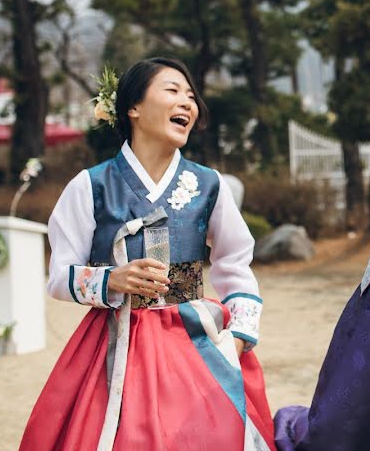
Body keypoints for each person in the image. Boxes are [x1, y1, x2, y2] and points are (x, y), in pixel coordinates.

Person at [20, 58, 275, 451]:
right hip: (115, 339)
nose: (187, 103)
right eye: (172, 91)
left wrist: (239, 336)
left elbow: (234, 262)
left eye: (191, 96)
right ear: (133, 108)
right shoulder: (91, 185)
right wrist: (111, 280)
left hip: (193, 339)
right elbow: (58, 275)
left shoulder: (208, 185)